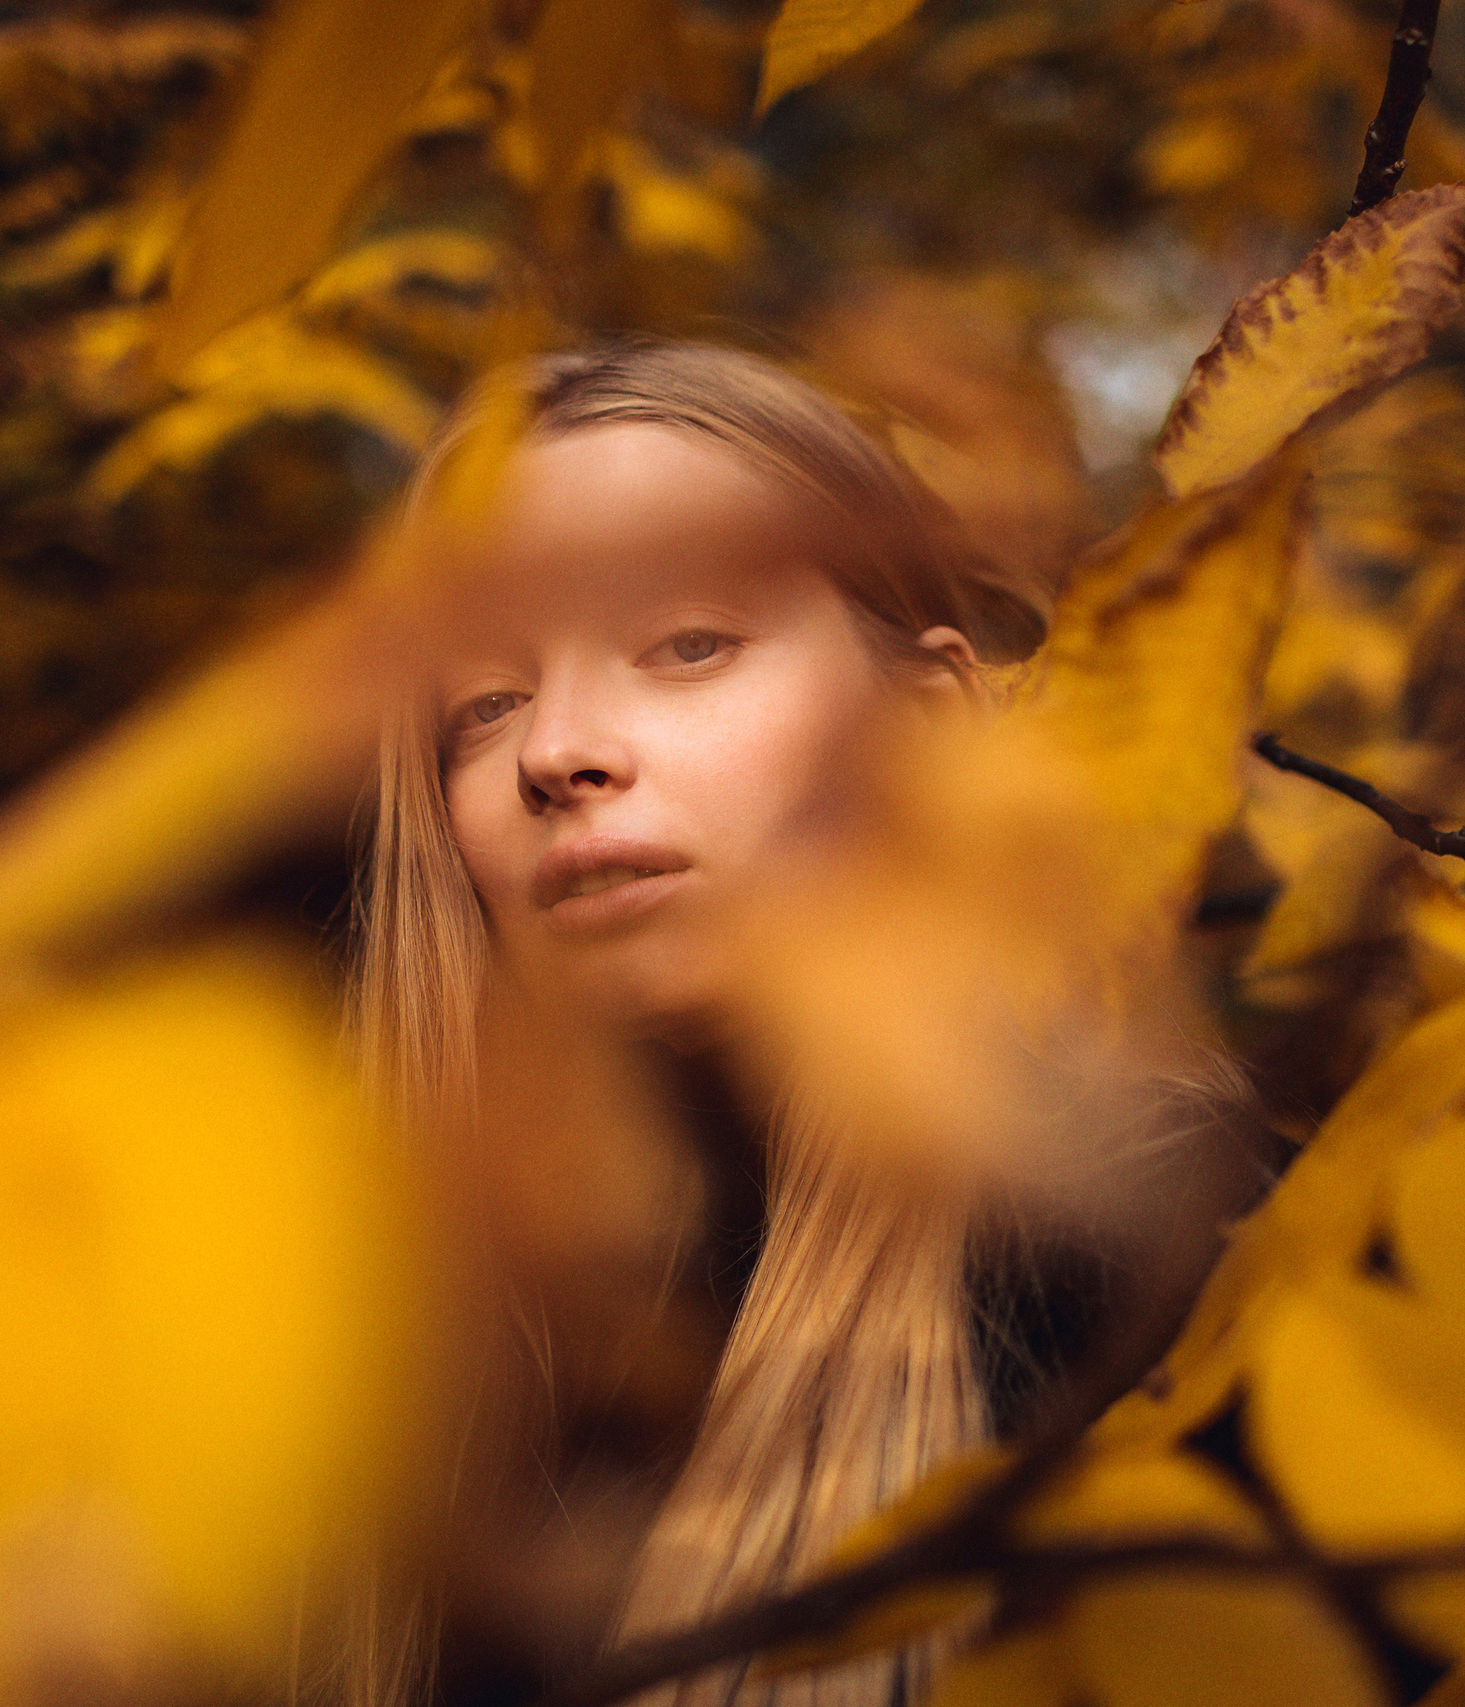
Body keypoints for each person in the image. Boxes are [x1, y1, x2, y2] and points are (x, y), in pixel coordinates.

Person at [346, 341, 1247, 1707]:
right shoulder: (394, 1377)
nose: (556, 749)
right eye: (487, 702)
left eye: (688, 644)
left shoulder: (1166, 1289)